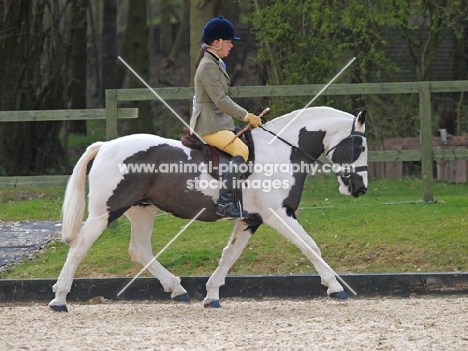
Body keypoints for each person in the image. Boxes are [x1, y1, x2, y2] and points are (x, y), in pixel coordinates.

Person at [190, 16, 262, 218]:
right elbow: (220, 100)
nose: (232, 45)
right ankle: (224, 203)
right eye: (229, 41)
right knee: (241, 150)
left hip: (218, 121)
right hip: (207, 124)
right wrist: (247, 116)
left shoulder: (216, 63)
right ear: (217, 42)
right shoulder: (208, 66)